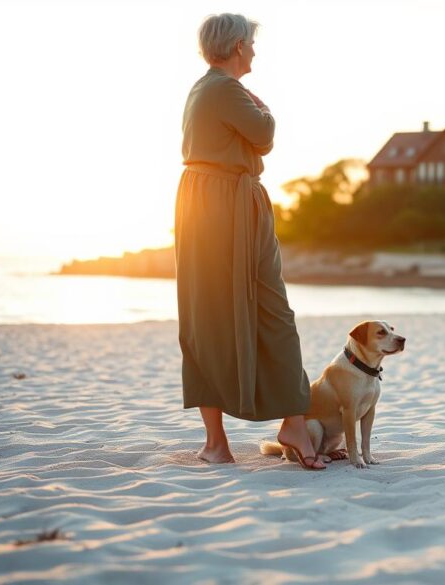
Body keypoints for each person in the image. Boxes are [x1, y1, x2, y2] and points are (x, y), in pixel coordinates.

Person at [175, 13, 325, 470]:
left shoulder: (207, 88)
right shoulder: (223, 88)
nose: (256, 51)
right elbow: (263, 135)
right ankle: (283, 427)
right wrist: (266, 111)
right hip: (226, 206)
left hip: (212, 204)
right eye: (252, 44)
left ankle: (224, 441)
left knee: (210, 316)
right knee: (264, 311)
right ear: (238, 45)